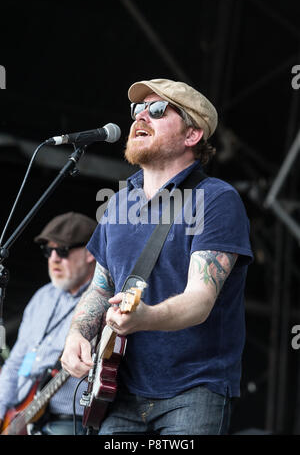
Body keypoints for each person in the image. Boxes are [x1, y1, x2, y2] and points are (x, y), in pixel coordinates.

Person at [61, 78, 253, 435]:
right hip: (118, 391)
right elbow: (101, 288)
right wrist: (77, 334)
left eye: (158, 110)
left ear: (192, 135)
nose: (140, 117)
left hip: (192, 390)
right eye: (137, 110)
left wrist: (145, 316)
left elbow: (200, 299)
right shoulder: (118, 203)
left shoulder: (216, 199)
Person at [0, 211, 97, 435]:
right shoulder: (42, 296)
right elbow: (15, 363)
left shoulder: (99, 302)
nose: (53, 258)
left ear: (91, 252)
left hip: (68, 418)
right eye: (48, 250)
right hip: (17, 414)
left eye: (62, 250)